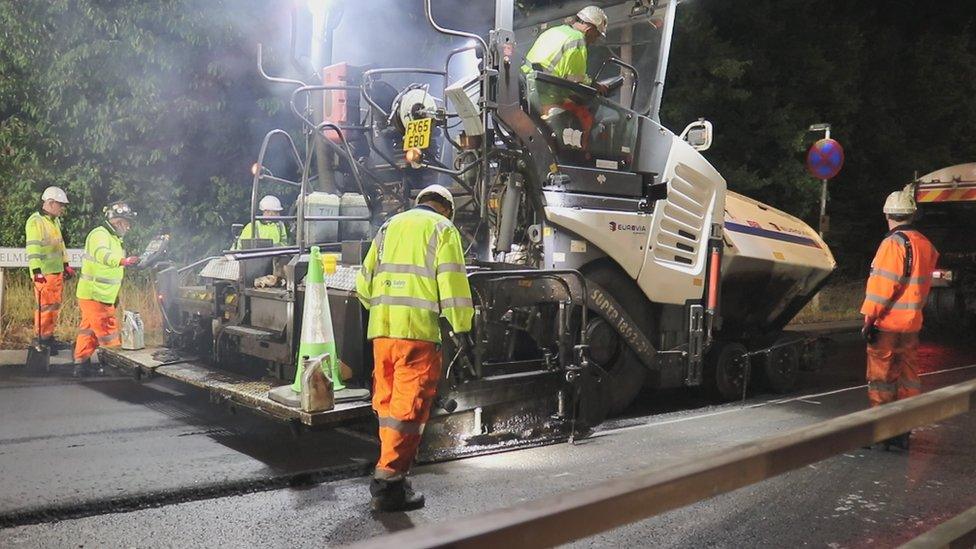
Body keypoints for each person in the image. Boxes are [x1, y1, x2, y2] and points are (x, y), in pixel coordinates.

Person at [355, 184, 474, 512]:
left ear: (419, 202)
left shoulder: (388, 226)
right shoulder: (443, 229)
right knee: (409, 409)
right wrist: (461, 326)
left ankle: (389, 466)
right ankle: (389, 481)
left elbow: (363, 284)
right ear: (447, 209)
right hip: (417, 333)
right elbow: (452, 283)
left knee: (388, 405)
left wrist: (382, 310)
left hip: (382, 332)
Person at [861, 190, 939, 450]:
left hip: (887, 324)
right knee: (908, 377)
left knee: (881, 378)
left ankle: (881, 431)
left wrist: (869, 319)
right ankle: (903, 432)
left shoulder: (892, 244)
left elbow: (882, 288)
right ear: (912, 214)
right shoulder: (926, 246)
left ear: (886, 214)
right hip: (912, 323)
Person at [73, 201, 141, 377]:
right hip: (96, 295)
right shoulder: (100, 235)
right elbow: (103, 255)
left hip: (97, 294)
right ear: (118, 222)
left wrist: (115, 294)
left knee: (88, 330)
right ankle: (115, 367)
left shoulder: (113, 238)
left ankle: (81, 365)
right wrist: (123, 261)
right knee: (108, 331)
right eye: (127, 223)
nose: (129, 227)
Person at [25, 186, 74, 354]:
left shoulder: (54, 221)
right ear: (51, 203)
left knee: (53, 307)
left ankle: (48, 338)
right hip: (44, 274)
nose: (62, 208)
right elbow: (33, 248)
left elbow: (60, 245)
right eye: (60, 205)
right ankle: (40, 340)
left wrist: (66, 265)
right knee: (44, 307)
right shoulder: (36, 221)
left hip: (56, 272)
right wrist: (37, 271)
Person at [522, 5, 608, 90]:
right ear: (590, 29)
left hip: (525, 84)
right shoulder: (577, 40)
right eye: (597, 35)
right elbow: (575, 81)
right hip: (542, 90)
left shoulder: (554, 30)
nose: (594, 41)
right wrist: (594, 85)